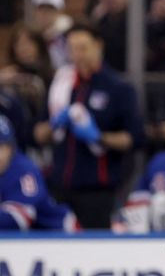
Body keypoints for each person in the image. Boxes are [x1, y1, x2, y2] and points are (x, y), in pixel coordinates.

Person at [33, 24, 144, 229]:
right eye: (72, 49)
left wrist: (99, 137)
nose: (77, 55)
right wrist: (53, 125)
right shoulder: (61, 84)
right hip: (60, 187)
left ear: (98, 46)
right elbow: (38, 134)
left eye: (83, 48)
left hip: (97, 190)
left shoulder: (118, 88)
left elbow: (134, 138)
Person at [0, 115, 79, 231]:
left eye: (1, 146)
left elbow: (20, 217)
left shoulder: (23, 170)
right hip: (29, 240)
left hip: (62, 235)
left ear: (11, 148)